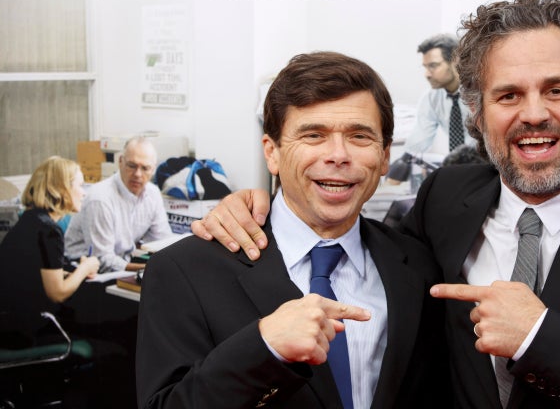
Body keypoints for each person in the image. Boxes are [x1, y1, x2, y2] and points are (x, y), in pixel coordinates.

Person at [192, 0, 560, 408]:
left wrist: (540, 338)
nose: (533, 113)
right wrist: (261, 202)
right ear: (477, 111)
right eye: (507, 95)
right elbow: (373, 259)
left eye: (556, 90)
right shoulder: (447, 199)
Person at [136, 51, 450, 409]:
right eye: (313, 135)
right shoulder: (183, 271)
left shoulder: (417, 267)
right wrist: (262, 347)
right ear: (272, 153)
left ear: (384, 157)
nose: (338, 155)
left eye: (360, 136)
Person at [0, 156, 100, 332]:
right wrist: (85, 267)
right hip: (26, 327)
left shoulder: (31, 219)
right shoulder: (49, 230)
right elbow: (57, 294)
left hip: (9, 320)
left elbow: (32, 271)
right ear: (62, 189)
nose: (84, 193)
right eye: (80, 186)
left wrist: (71, 272)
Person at [64, 136, 172, 272]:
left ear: (153, 169)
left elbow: (162, 242)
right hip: (83, 271)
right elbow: (102, 260)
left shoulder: (153, 193)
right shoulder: (100, 199)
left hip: (120, 264)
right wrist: (147, 270)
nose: (138, 174)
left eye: (145, 168)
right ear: (120, 162)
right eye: (132, 166)